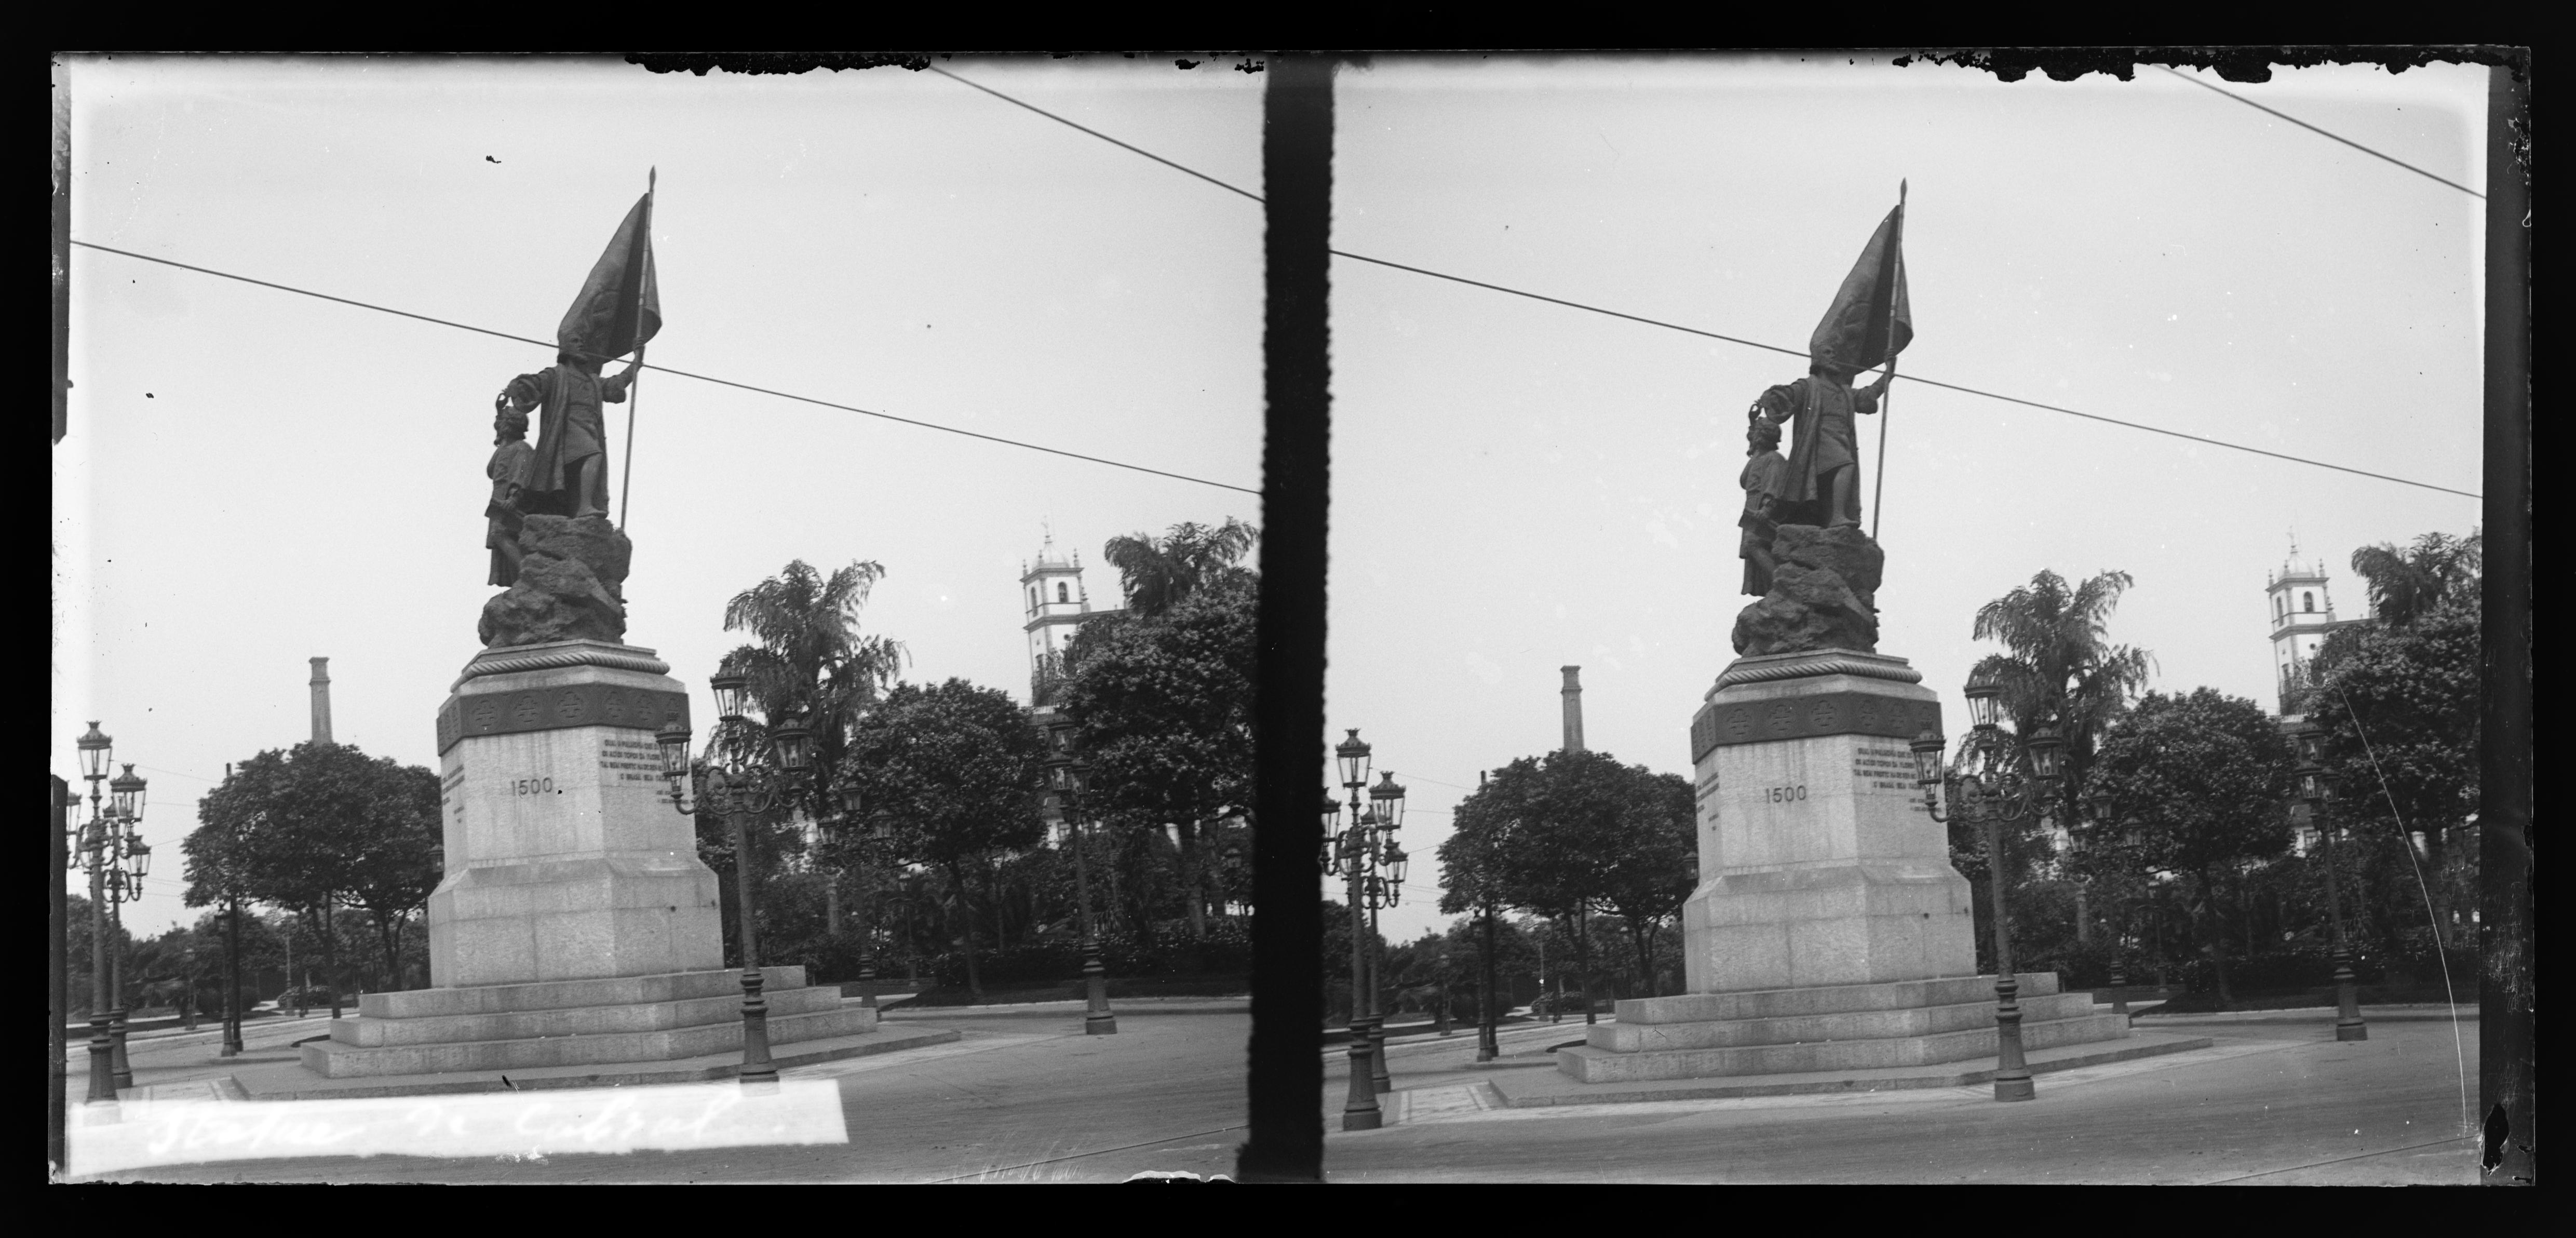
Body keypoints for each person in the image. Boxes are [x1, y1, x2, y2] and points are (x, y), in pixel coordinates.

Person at [500, 352, 640, 521]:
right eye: (576, 340)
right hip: (566, 431)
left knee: (571, 486)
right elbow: (535, 384)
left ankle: (577, 511)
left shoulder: (593, 381)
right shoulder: (557, 375)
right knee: (594, 455)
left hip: (590, 430)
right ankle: (585, 507)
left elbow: (614, 385)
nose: (582, 345)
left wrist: (636, 364)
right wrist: (519, 387)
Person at [1759, 359, 1892, 530]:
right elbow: (1788, 395)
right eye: (1829, 353)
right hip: (1819, 441)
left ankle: (1831, 518)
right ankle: (1837, 516)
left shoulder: (1845, 392)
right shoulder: (1808, 386)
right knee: (1846, 466)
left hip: (1842, 441)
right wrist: (1774, 397)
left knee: (1826, 492)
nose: (1837, 358)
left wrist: (1888, 375)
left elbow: (1868, 396)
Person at [485, 402, 537, 587]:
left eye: (503, 425)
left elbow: (521, 473)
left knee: (500, 534)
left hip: (512, 501)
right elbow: (492, 470)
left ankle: (528, 573)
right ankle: (521, 579)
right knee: (499, 541)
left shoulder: (522, 448)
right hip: (499, 500)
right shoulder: (504, 449)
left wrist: (514, 498)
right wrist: (500, 412)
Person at [1738, 412, 1789, 596]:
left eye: (1758, 433)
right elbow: (1745, 480)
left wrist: (1767, 509)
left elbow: (1774, 485)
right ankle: (1774, 589)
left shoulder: (1774, 459)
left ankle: (1783, 584)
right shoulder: (1759, 458)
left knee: (1753, 544)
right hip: (1752, 506)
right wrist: (1753, 424)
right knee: (1751, 549)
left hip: (1764, 508)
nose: (1754, 438)